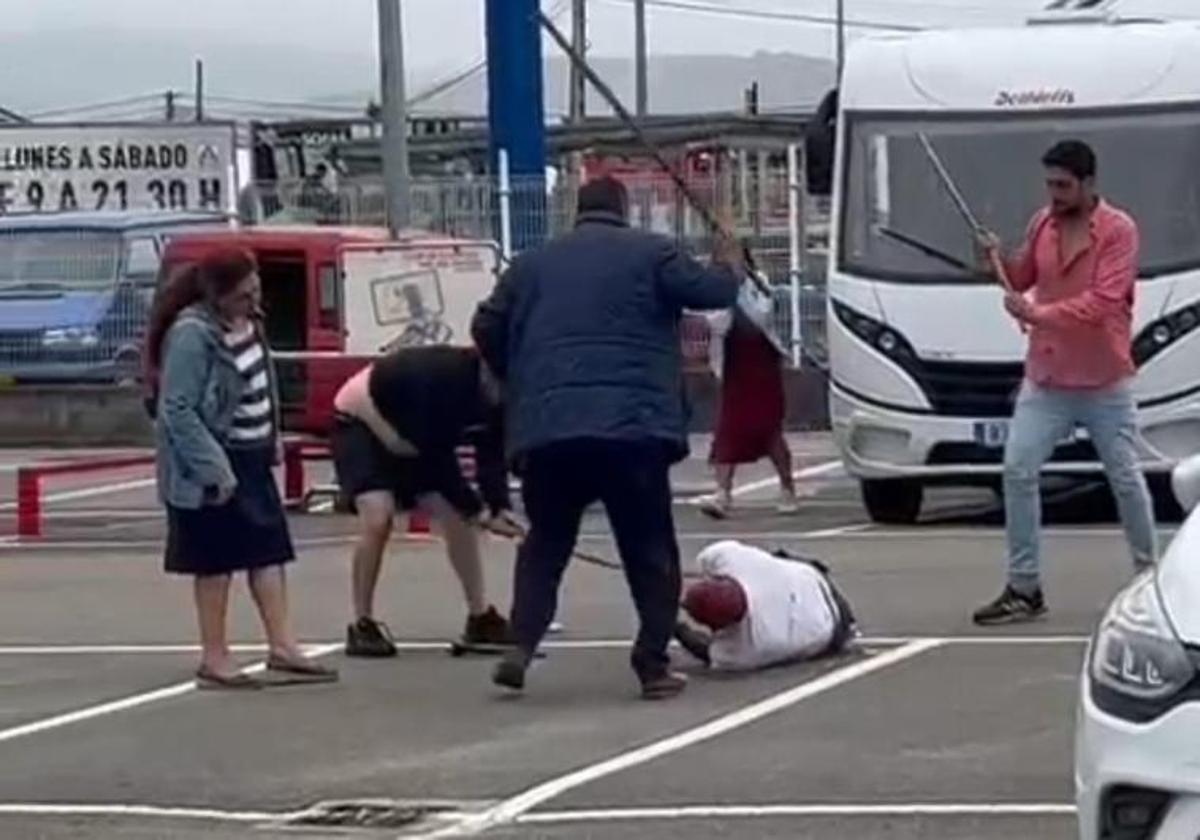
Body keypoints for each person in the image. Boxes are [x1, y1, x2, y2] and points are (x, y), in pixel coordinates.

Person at [472, 176, 741, 700]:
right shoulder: (652, 253)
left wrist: (520, 375)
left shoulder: (529, 266)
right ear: (624, 210)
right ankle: (652, 663)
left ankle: (520, 649)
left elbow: (485, 326)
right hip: (633, 427)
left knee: (546, 544)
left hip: (549, 427)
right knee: (648, 546)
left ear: (577, 212)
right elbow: (713, 293)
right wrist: (728, 258)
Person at [973, 139, 1157, 625]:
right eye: (1049, 184)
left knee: (1126, 477)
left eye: (1062, 185)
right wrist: (992, 261)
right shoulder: (1042, 224)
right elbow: (1020, 276)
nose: (1053, 194)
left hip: (1104, 379)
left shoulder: (1119, 231)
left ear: (1088, 184)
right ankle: (1024, 587)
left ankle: (1151, 579)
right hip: (1049, 377)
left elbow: (1105, 301)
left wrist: (1038, 313)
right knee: (1017, 469)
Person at [146, 248, 338, 689]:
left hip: (252, 455)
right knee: (215, 561)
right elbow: (177, 409)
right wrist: (215, 468)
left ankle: (283, 646)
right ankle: (215, 656)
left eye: (256, 290)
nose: (253, 300)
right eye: (243, 294)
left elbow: (261, 380)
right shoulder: (193, 335)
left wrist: (272, 439)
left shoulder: (250, 323)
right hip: (212, 461)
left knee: (269, 552)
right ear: (218, 294)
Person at [331, 345, 523, 656]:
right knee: (378, 517)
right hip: (365, 420)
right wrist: (478, 511)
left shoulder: (499, 397)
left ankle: (480, 617)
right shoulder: (444, 378)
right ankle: (362, 623)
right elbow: (437, 461)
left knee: (457, 517)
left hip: (413, 438)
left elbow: (491, 457)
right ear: (486, 370)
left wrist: (499, 507)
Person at [673, 540, 858, 671]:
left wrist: (676, 627)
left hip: (832, 625)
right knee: (776, 558)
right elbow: (704, 561)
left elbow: (705, 650)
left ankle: (848, 628)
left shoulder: (747, 650)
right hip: (812, 578)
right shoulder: (729, 558)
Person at [700, 305, 800, 519]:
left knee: (769, 430)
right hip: (734, 368)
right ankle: (722, 493)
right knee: (727, 429)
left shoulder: (755, 289)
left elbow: (763, 314)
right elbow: (713, 322)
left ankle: (787, 487)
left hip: (762, 366)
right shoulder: (717, 290)